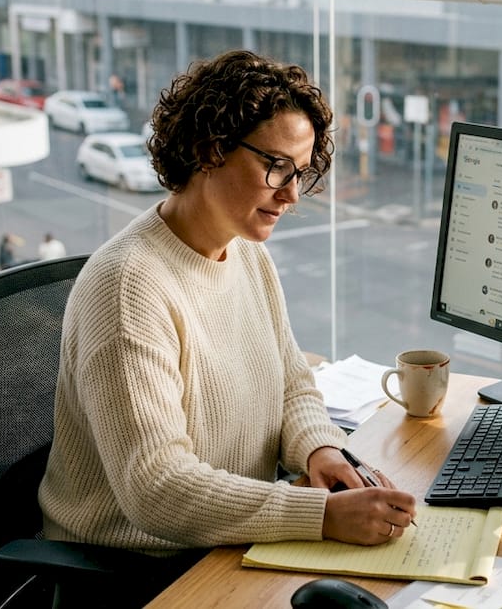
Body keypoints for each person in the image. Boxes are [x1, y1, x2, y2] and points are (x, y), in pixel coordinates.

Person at [38, 50, 414, 603]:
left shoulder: (243, 251)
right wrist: (320, 515)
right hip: (138, 574)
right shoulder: (128, 289)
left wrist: (320, 452)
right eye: (276, 166)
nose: (290, 194)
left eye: (301, 172)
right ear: (208, 148)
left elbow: (292, 383)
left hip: (229, 544)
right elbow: (157, 491)